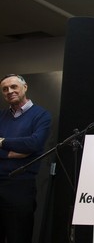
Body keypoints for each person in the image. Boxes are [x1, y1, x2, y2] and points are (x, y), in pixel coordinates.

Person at [0, 74, 51, 243]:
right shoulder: (1, 116)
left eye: (14, 87)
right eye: (5, 89)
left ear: (25, 87)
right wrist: (10, 152)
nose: (9, 91)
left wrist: (2, 142)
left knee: (19, 237)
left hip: (20, 186)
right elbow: (25, 147)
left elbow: (33, 144)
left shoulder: (41, 115)